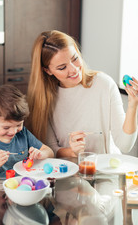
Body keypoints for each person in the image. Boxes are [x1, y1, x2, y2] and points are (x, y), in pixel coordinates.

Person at [26, 30, 138, 158]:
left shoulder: (104, 84)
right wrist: (73, 152)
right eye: (62, 67)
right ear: (47, 70)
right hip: (67, 170)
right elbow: (51, 150)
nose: (73, 69)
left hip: (106, 168)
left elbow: (125, 145)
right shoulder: (45, 99)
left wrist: (133, 105)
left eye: (75, 58)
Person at [0, 85, 54, 186]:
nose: (13, 132)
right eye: (6, 127)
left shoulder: (23, 133)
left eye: (19, 125)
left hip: (22, 185)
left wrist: (41, 154)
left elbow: (50, 152)